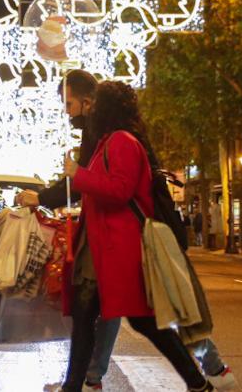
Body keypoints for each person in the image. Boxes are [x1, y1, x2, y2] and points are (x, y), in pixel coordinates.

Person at [53, 81, 212, 392]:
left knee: (143, 321)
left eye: (95, 106)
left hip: (119, 249)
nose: (89, 112)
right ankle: (73, 386)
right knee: (85, 317)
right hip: (102, 248)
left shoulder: (123, 142)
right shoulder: (107, 142)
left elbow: (119, 190)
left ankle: (198, 383)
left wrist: (78, 174)